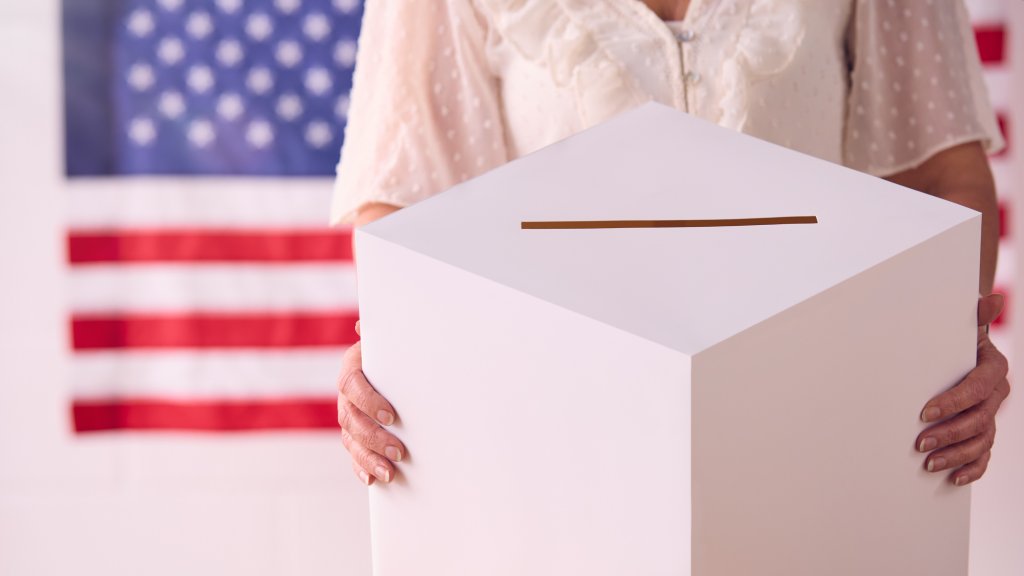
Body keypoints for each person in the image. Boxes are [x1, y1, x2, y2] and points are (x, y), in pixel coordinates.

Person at [331, 0, 1010, 488]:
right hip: (551, 451)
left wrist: (953, 347)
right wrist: (394, 357)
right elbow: (405, 210)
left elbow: (943, 177)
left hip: (819, 440)